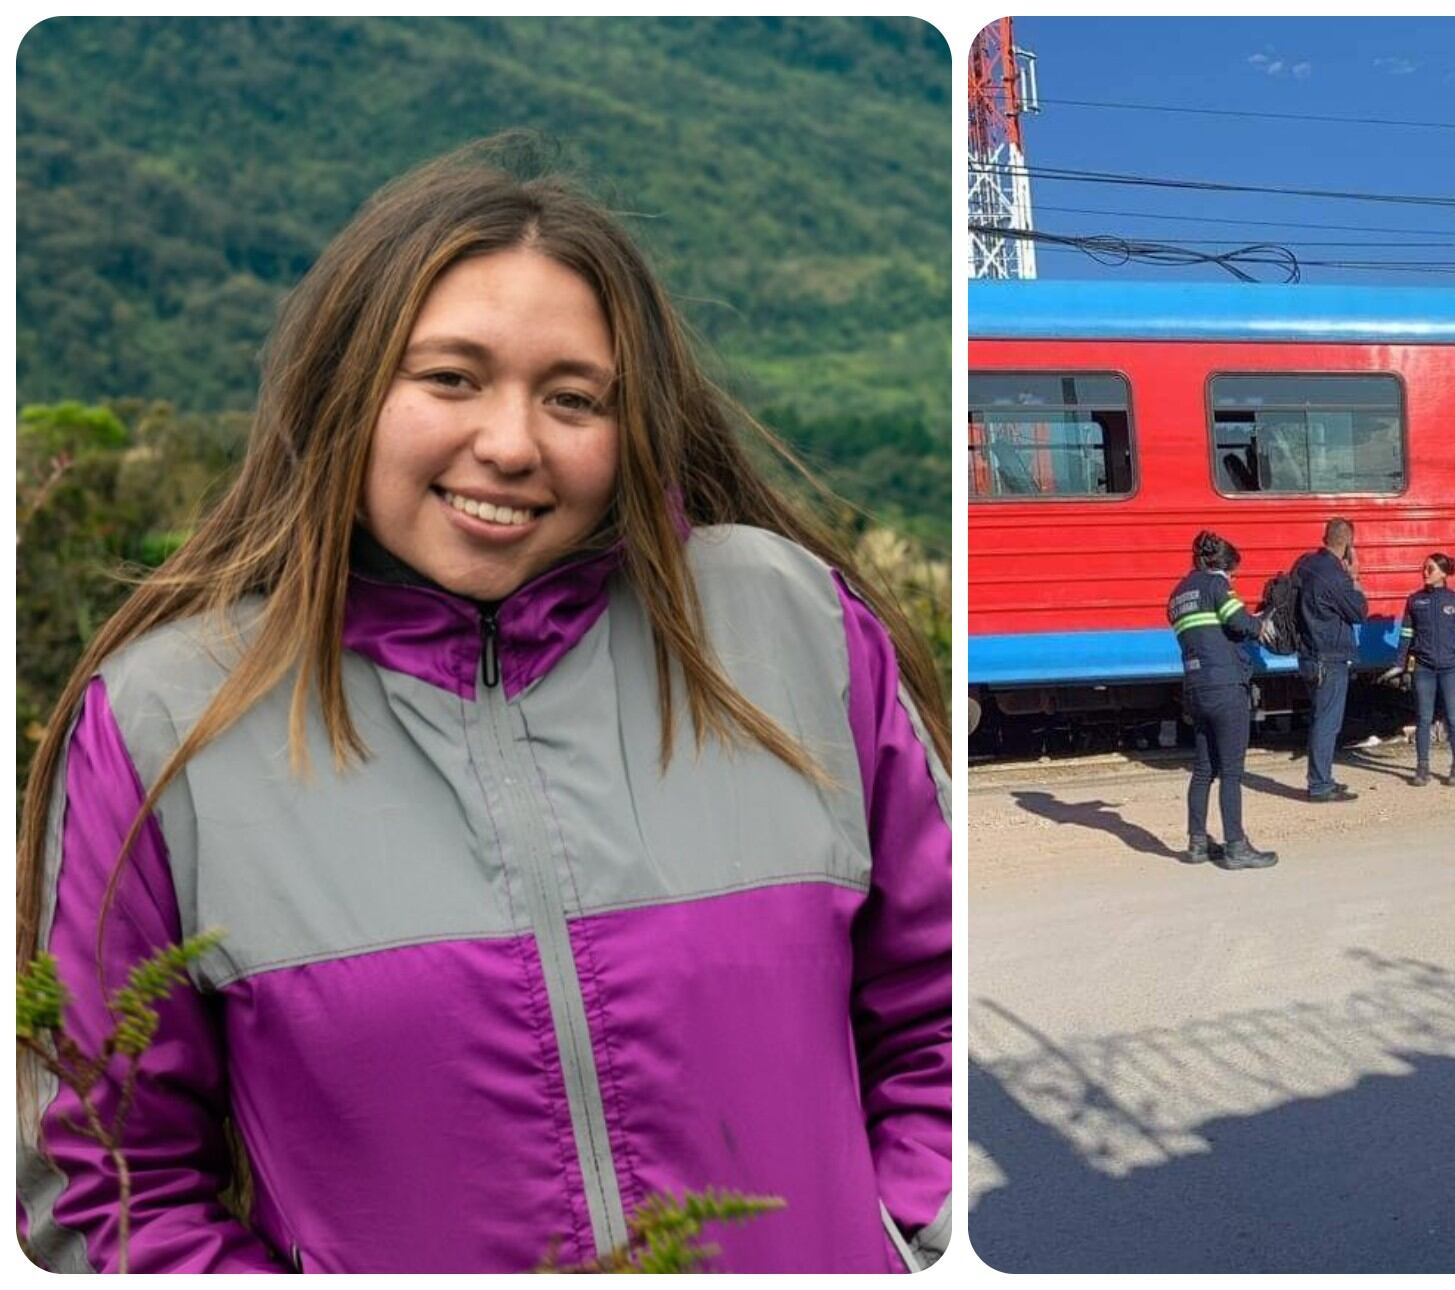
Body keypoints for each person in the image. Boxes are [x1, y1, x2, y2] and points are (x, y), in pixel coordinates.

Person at [16, 135, 952, 1274]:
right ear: (345, 390)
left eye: (573, 398)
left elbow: (939, 1005)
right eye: (450, 377)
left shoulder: (787, 625)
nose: (509, 445)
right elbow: (109, 1190)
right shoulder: (168, 724)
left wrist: (905, 1239)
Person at [1166, 531, 1277, 870]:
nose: (1233, 579)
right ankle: (1236, 846)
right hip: (1226, 686)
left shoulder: (1177, 595)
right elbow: (1238, 622)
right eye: (1233, 573)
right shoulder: (1216, 585)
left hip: (1196, 688)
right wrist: (1261, 622)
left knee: (1203, 770)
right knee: (1231, 771)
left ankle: (1197, 843)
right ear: (1222, 567)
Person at [1382, 552, 1455, 786]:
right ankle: (1422, 769)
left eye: (1431, 568)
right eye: (1424, 568)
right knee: (1423, 719)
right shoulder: (1414, 600)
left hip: (1451, 670)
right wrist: (1399, 665)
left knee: (1454, 719)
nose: (1425, 572)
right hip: (1423, 669)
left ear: (1444, 574)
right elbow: (1406, 635)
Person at [1291, 517, 1368, 802]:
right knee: (1327, 723)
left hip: (1309, 654)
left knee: (1319, 719)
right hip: (1329, 657)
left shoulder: (1305, 564)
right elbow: (1359, 612)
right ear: (1348, 543)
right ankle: (1320, 785)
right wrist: (1354, 576)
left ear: (1325, 537)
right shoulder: (1335, 576)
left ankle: (1323, 779)